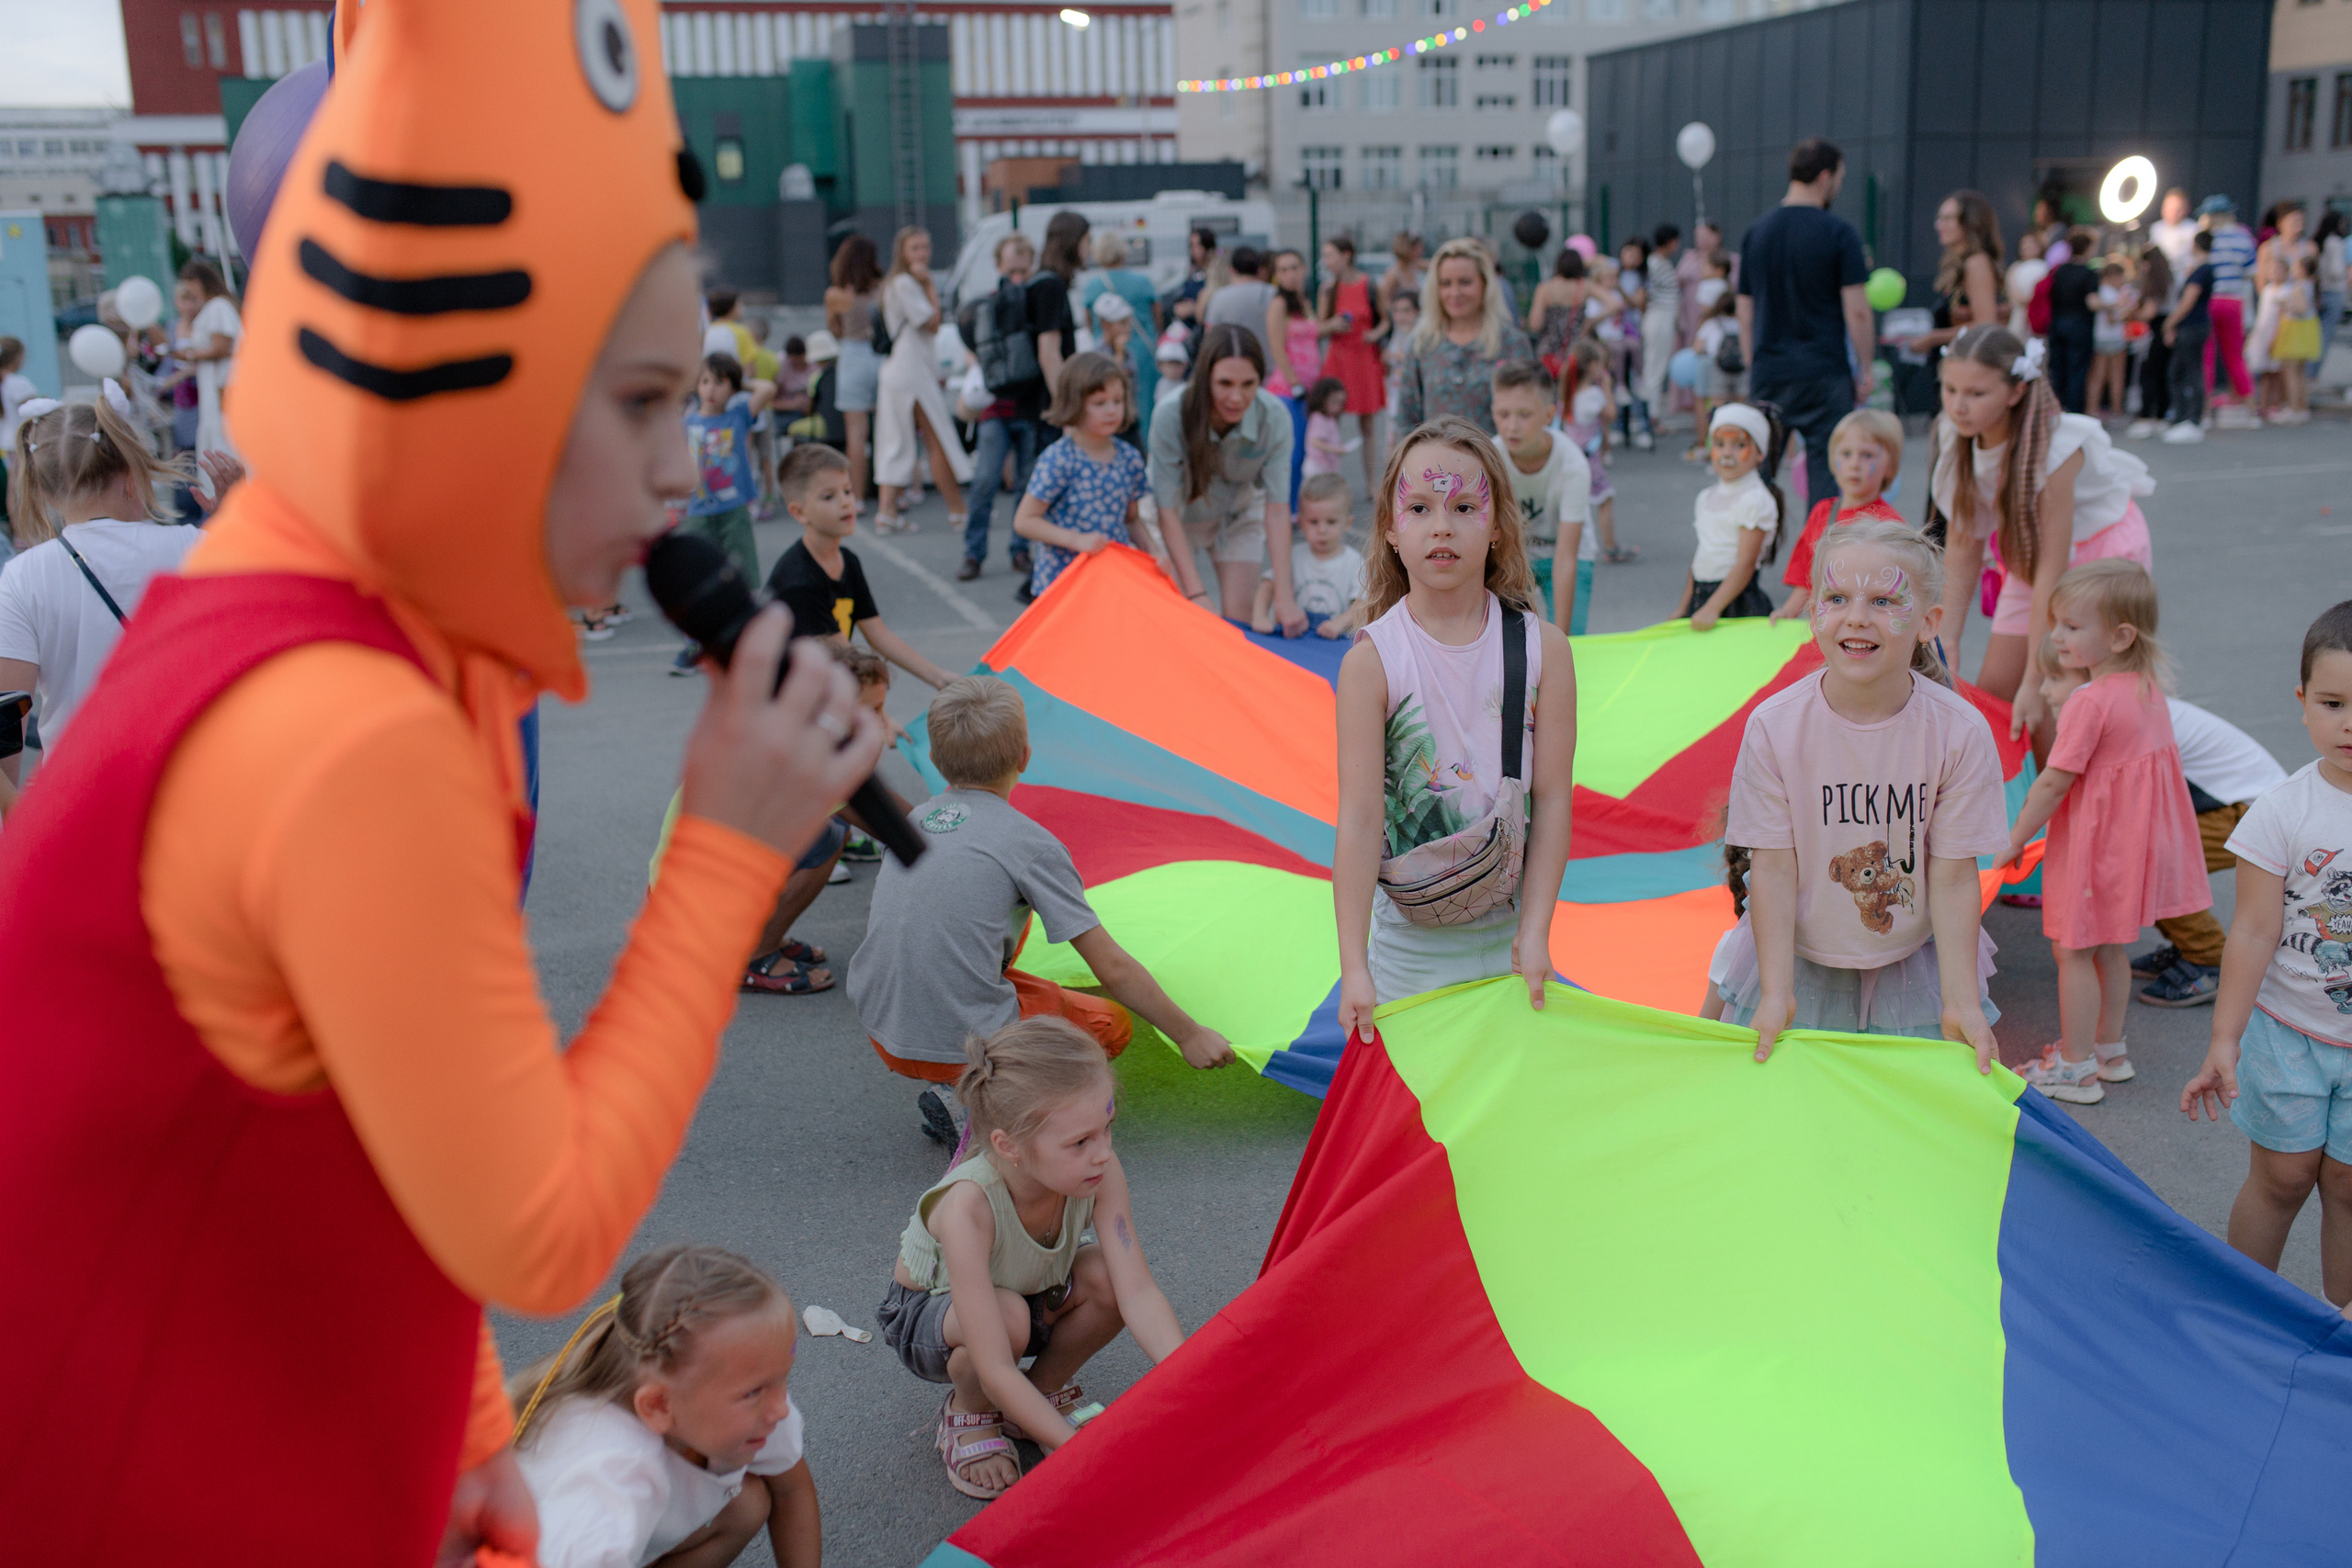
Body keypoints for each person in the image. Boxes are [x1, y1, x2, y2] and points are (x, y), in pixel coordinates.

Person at [0, 11, 889, 1555]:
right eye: (637, 402)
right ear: (473, 377)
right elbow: (536, 1225)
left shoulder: (383, 610)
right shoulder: (354, 722)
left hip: (253, 1397)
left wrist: (458, 1414)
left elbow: (376, 1108)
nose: (687, 473)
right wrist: (726, 853)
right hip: (147, 1468)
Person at [847, 674, 1234, 1121]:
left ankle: (960, 1088)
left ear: (934, 758)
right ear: (1024, 757)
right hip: (954, 1046)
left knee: (1012, 981)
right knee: (1109, 1025)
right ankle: (989, 1104)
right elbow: (1111, 968)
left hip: (884, 1028)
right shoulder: (1030, 844)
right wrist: (1188, 1034)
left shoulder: (914, 820)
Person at [1721, 517, 2007, 1065]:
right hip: (1796, 961)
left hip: (1911, 964)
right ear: (1813, 614)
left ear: (1929, 623)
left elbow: (1951, 876)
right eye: (1836, 596)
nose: (1857, 617)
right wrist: (1777, 993)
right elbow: (1774, 868)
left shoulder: (1959, 732)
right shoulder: (1774, 727)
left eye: (1883, 600)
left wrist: (1960, 999)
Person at [879, 1017, 1203, 1499]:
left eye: (1106, 1129)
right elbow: (993, 1363)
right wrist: (1078, 1453)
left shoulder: (1099, 1170)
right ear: (1008, 1146)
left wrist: (1197, 1381)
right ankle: (970, 1413)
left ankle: (1039, 1395)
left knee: (1106, 1277)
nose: (1103, 1153)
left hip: (1025, 1294)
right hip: (933, 1317)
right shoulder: (968, 1207)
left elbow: (1137, 1291)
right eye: (1080, 1142)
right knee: (1005, 1316)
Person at [1332, 416, 1576, 1023]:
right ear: (1391, 527)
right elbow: (1360, 818)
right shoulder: (1371, 662)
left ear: (1496, 527)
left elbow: (1553, 802)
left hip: (1510, 938)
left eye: (1465, 506)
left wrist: (1537, 930)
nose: (1442, 525)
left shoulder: (1544, 648)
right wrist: (1354, 965)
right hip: (1407, 951)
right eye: (1419, 507)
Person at [2180, 601, 2352, 1308]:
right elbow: (2251, 931)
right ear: (2302, 702)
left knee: (2347, 1185)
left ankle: (2342, 1329)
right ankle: (2242, 1315)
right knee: (2282, 1178)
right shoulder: (2282, 809)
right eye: (2333, 702)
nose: (2349, 722)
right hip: (2291, 1035)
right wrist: (2224, 1039)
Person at [1996, 561, 2208, 1103]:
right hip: (2129, 845)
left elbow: (2052, 783)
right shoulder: (2144, 687)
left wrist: (2015, 837)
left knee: (2071, 954)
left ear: (2119, 636)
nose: (2056, 637)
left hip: (2093, 846)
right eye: (2057, 624)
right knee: (2110, 948)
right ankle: (2109, 1051)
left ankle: (2074, 1066)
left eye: (2071, 626)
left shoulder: (2088, 701)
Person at [512, 1246, 818, 1568]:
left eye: (781, 1378)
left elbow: (790, 1492)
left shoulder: (746, 1404)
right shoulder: (606, 1484)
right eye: (755, 1391)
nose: (780, 1409)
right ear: (658, 1406)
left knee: (748, 1504)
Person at [1929, 324, 2155, 742]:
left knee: (2060, 691)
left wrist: (2034, 680)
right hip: (2029, 554)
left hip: (2098, 554)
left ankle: (2070, 795)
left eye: (1976, 394)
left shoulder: (2056, 448)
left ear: (2016, 392)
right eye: (1950, 390)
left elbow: (2053, 571)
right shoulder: (1954, 434)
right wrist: (1946, 642)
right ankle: (2025, 795)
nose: (1959, 406)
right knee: (1996, 692)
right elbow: (1963, 543)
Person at [0, 390, 214, 768]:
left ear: (43, 489)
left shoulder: (22, 576)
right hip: (189, 776)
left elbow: (7, 725)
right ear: (132, 474)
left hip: (79, 790)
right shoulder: (194, 545)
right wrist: (238, 523)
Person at [1736, 138, 1874, 513]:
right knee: (1829, 478)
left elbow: (1744, 310)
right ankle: (1821, 568)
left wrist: (1754, 362)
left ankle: (1746, 570)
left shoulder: (1756, 232)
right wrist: (1865, 367)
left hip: (1769, 370)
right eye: (1840, 178)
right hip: (1824, 371)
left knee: (1755, 477)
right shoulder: (1839, 233)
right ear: (1825, 177)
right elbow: (1857, 312)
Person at [1147, 323, 1301, 633]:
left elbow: (1277, 509)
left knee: (1238, 625)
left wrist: (1284, 597)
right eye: (1225, 383)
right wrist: (1197, 593)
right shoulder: (1171, 414)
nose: (1236, 396)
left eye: (1248, 384)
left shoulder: (1275, 418)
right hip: (1177, 520)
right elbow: (1167, 513)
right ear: (1205, 378)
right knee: (1180, 624)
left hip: (1236, 515)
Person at [1014, 352, 1160, 602]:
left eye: (1117, 400)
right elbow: (1025, 520)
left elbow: (1132, 519)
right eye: (1100, 403)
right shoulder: (1060, 459)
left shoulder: (1129, 458)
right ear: (1075, 404)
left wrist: (1154, 554)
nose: (1111, 410)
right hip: (1064, 585)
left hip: (1112, 581)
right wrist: (1076, 540)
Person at [957, 233, 1046, 584]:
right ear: (998, 268)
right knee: (985, 481)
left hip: (1028, 407)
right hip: (996, 408)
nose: (1018, 279)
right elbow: (972, 346)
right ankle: (973, 552)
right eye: (1012, 271)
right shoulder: (988, 305)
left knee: (1027, 484)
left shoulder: (1036, 303)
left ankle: (1019, 549)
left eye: (1023, 271)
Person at [874, 226, 971, 535]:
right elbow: (931, 322)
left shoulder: (896, 283)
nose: (922, 254)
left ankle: (887, 514)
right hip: (911, 371)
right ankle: (957, 510)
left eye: (925, 247)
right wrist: (929, 285)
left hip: (903, 370)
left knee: (898, 441)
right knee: (935, 438)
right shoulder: (905, 283)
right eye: (915, 248)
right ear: (903, 252)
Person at [1393, 236, 1536, 436]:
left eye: (1465, 282)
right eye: (1446, 283)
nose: (1455, 292)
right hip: (1434, 465)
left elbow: (1530, 413)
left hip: (1496, 464)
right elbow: (1406, 420)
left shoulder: (1512, 344)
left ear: (1484, 284)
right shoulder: (1423, 345)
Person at [1489, 358, 1593, 635]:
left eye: (1525, 415)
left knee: (1570, 641)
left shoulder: (1573, 465)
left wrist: (1562, 637)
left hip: (1568, 552)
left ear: (1549, 414)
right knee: (1508, 639)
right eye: (1503, 414)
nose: (1512, 426)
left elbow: (1566, 557)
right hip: (1514, 554)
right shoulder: (1489, 458)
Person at [1772, 408, 1904, 625]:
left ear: (1889, 467)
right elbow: (1806, 577)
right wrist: (1788, 611)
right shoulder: (1822, 512)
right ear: (1833, 460)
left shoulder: (1889, 525)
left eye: (1867, 455)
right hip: (1824, 626)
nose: (1854, 464)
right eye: (1846, 454)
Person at [677, 352, 775, 599]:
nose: (711, 389)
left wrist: (739, 381)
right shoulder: (686, 423)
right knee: (698, 570)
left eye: (720, 383)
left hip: (733, 508)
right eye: (706, 381)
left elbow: (767, 388)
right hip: (698, 509)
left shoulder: (738, 416)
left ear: (733, 389)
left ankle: (744, 616)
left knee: (743, 569)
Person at [1679, 402, 1785, 627]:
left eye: (1739, 445)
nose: (1727, 453)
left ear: (1760, 453)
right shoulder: (1705, 497)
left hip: (1736, 603)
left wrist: (1713, 608)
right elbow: (1701, 555)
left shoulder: (1755, 500)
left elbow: (1745, 563)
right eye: (1719, 444)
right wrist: (1682, 608)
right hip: (1702, 598)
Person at [1316, 234, 1386, 498]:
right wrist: (1332, 325)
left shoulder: (1370, 285)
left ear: (1346, 255)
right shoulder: (1328, 290)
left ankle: (1372, 484)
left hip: (1364, 359)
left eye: (1330, 255)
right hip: (1339, 361)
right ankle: (1329, 482)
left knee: (1368, 425)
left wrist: (1375, 335)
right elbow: (1318, 328)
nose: (1326, 261)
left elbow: (1385, 320)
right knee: (1329, 422)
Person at [1267, 471, 1366, 639]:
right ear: (1301, 523)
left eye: (1331, 522)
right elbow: (1267, 584)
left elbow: (1363, 604)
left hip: (1336, 643)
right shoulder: (1293, 556)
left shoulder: (1354, 562)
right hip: (1295, 638)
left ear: (1348, 523)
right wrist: (1260, 616)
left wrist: (1339, 624)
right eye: (1313, 522)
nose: (1322, 530)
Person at [1560, 336, 1632, 564]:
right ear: (1592, 367)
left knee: (1574, 502)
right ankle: (1610, 548)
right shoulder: (1592, 395)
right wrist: (1608, 387)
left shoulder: (1568, 394)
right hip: (1589, 460)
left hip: (1571, 457)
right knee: (1605, 499)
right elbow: (1611, 414)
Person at [1080, 230, 1160, 431]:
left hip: (1104, 353)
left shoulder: (1093, 285)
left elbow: (1088, 321)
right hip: (1143, 351)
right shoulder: (1143, 281)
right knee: (1145, 404)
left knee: (1109, 400)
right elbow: (1157, 316)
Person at [825, 234, 885, 500]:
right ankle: (895, 494)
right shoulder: (881, 288)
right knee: (889, 431)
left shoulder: (835, 294)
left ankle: (856, 497)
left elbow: (835, 330)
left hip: (852, 357)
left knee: (855, 437)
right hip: (880, 356)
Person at [2199, 195, 2258, 423]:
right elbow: (2251, 272)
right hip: (2234, 300)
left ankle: (2204, 412)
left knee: (2207, 357)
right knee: (2235, 356)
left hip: (2210, 299)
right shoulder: (2243, 237)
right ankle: (2251, 411)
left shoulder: (2206, 237)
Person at [176, 258, 242, 464]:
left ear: (199, 281)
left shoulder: (218, 306)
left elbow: (221, 348)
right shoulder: (213, 307)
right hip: (213, 386)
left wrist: (190, 354)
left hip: (221, 384)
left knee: (224, 439)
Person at [2160, 231, 2218, 442]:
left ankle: (2191, 419)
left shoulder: (2202, 271)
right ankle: (2183, 416)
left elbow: (2188, 301)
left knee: (2190, 372)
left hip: (2192, 327)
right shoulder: (2201, 269)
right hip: (2193, 326)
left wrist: (2170, 322)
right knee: (2178, 371)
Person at [2043, 229, 2099, 414]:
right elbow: (2092, 302)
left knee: (2058, 370)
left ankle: (2055, 409)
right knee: (2077, 372)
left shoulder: (2060, 271)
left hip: (2058, 325)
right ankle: (2074, 413)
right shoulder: (2089, 273)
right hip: (2079, 327)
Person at [1638, 223, 1684, 438]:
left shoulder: (1660, 263)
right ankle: (1651, 417)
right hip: (1659, 317)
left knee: (1655, 368)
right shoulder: (1655, 263)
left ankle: (1651, 415)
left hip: (1663, 318)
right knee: (1653, 370)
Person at [1527, 245, 1590, 378]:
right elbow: (1614, 304)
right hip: (1575, 352)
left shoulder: (1545, 288)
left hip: (1548, 351)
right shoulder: (1584, 286)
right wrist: (1590, 323)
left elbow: (1535, 325)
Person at [0, 335, 39, 547]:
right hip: (22, 441)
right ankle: (30, 531)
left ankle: (19, 534)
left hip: (6, 443)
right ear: (16, 357)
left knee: (14, 489)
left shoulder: (3, 382)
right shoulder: (16, 382)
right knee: (26, 488)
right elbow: (35, 406)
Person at [2088, 260, 2135, 420]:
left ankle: (2092, 410)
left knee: (2098, 377)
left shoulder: (2099, 292)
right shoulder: (2113, 294)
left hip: (2100, 338)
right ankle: (2117, 411)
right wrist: (2126, 311)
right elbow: (2113, 318)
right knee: (2116, 377)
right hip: (2114, 338)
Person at [1301, 376, 1355, 481]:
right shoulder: (1319, 418)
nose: (1338, 407)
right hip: (1317, 467)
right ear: (1322, 399)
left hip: (1325, 467)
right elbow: (1315, 442)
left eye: (1341, 403)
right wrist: (1336, 450)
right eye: (1334, 402)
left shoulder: (1330, 418)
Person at [2315, 209, 2348, 371]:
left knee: (2316, 334)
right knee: (2325, 336)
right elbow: (2336, 271)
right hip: (2334, 292)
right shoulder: (2335, 242)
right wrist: (2346, 272)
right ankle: (2312, 373)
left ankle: (2308, 371)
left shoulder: (2321, 241)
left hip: (2320, 292)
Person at [2003, 230, 2048, 343]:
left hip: (2041, 318)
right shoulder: (2015, 268)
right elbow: (2013, 294)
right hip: (2020, 318)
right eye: (2025, 243)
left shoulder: (2046, 267)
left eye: (2032, 243)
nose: (2028, 246)